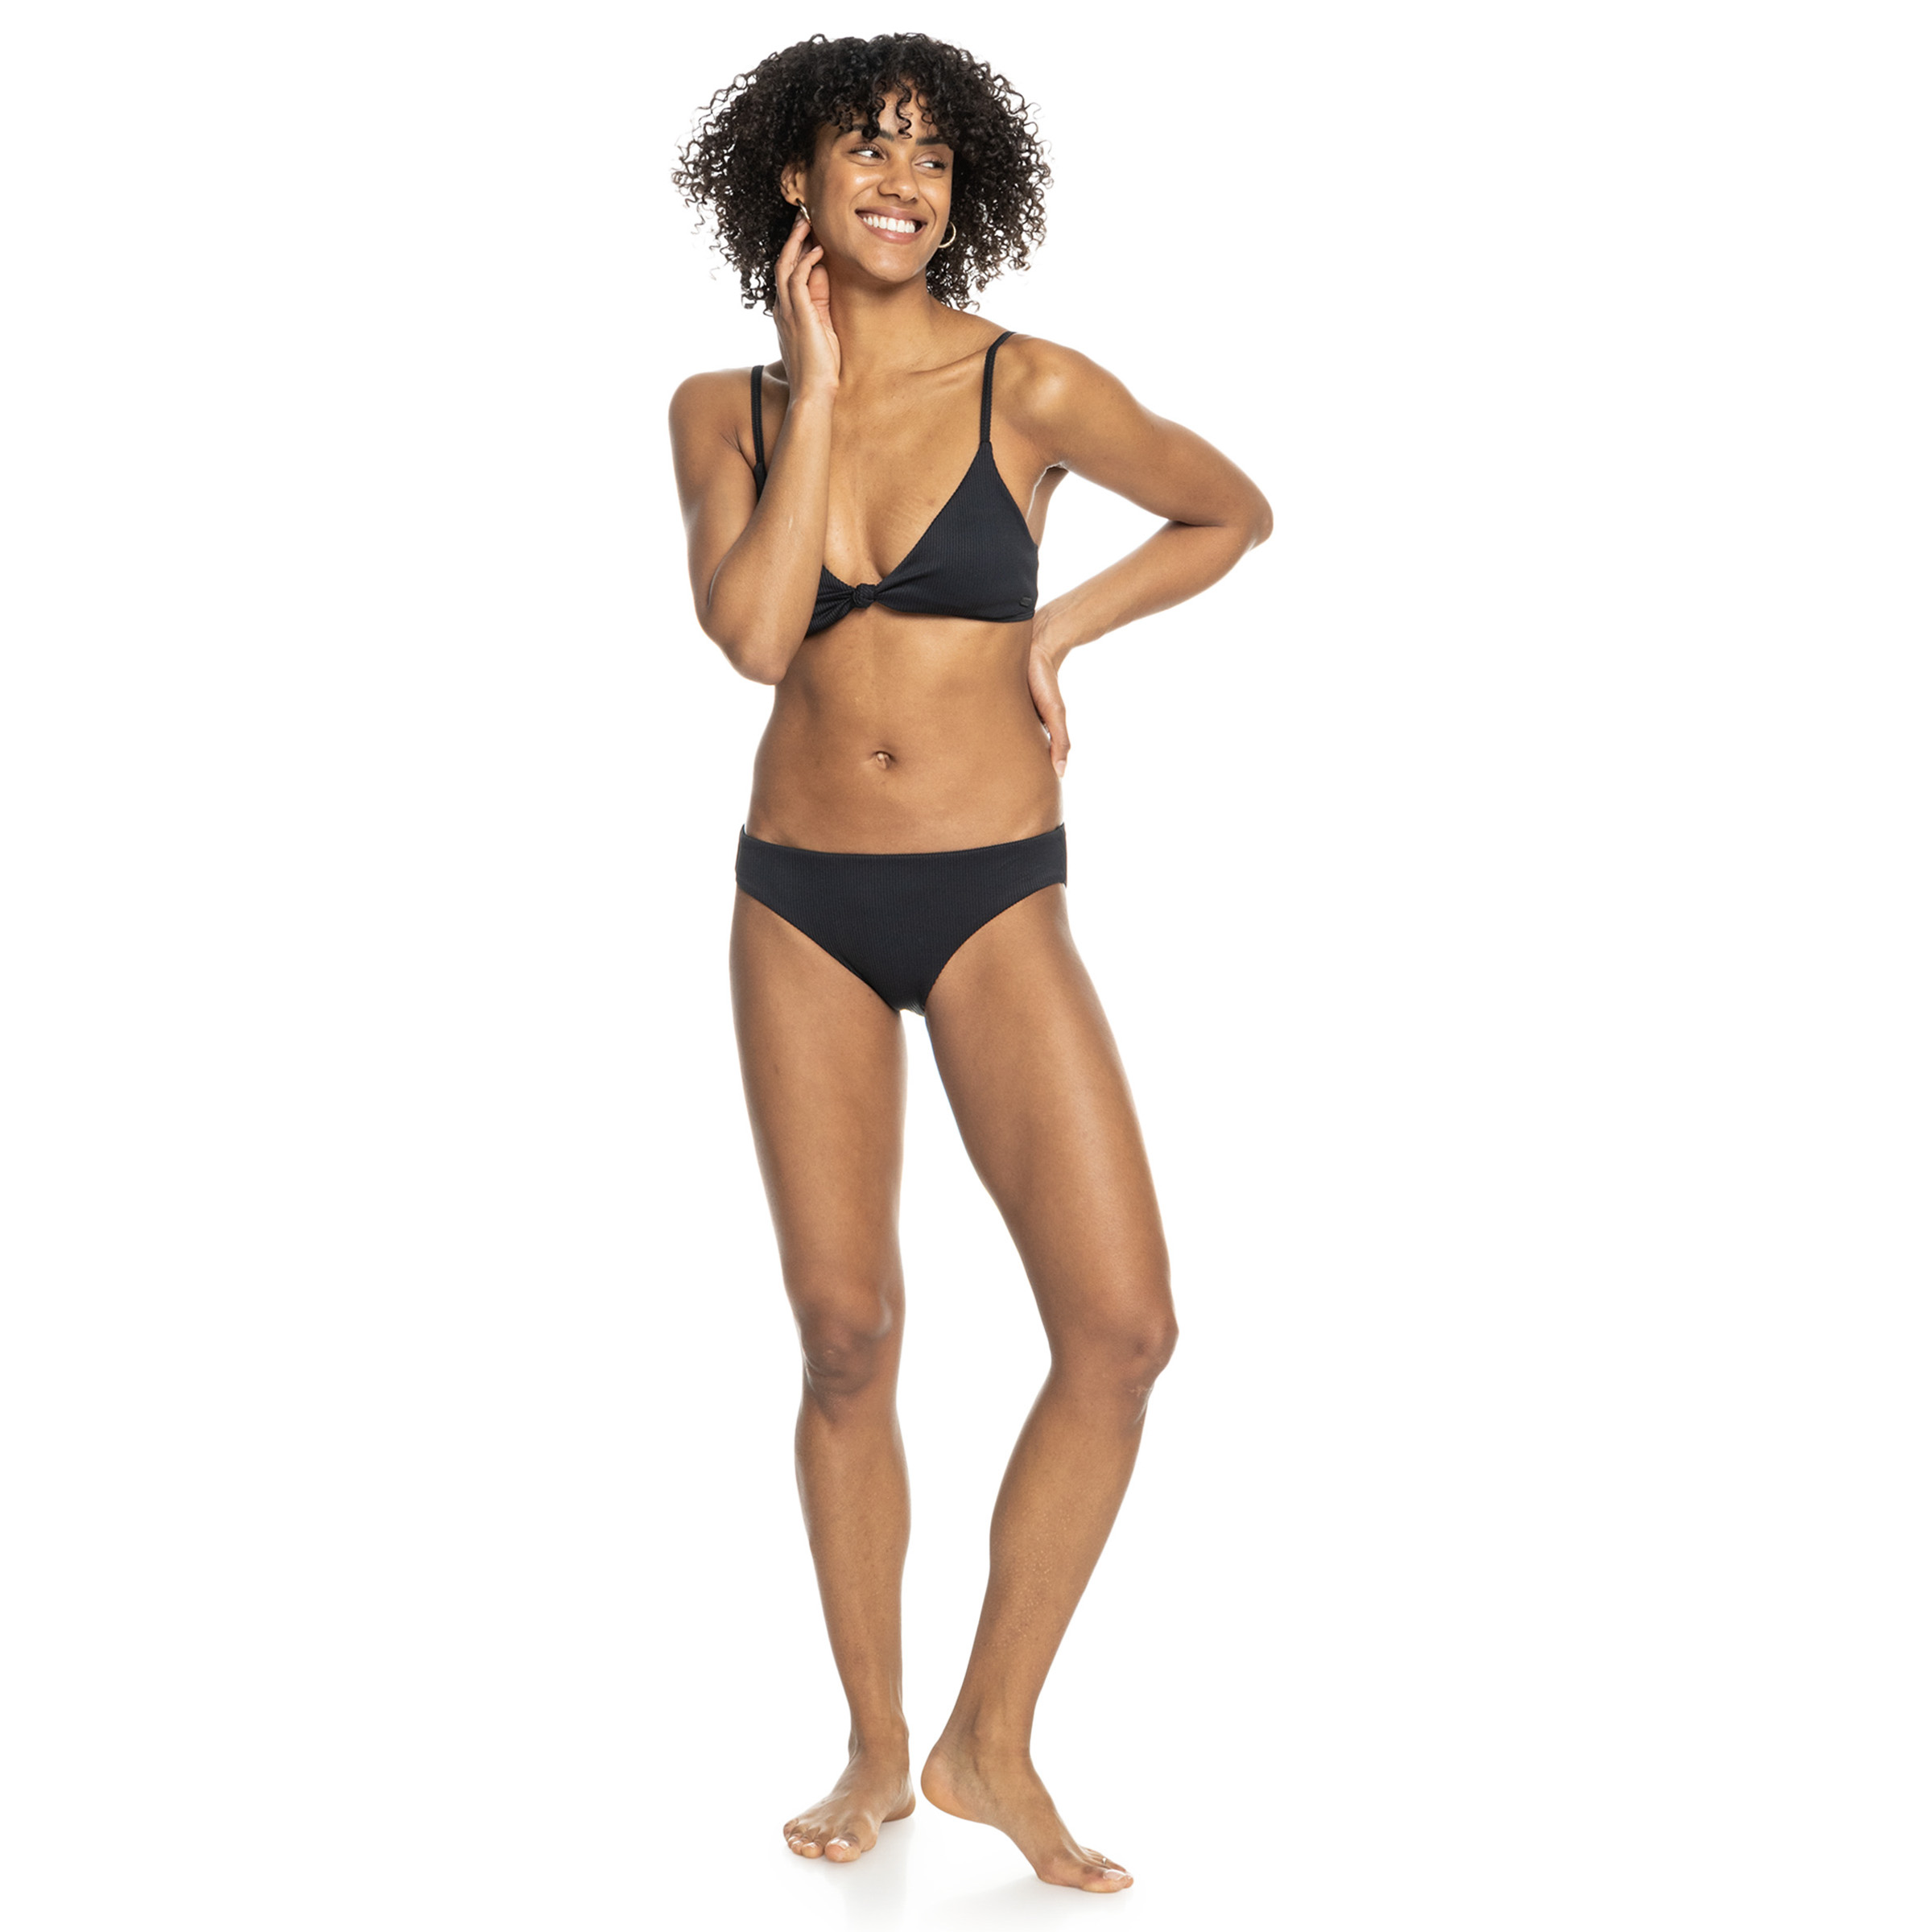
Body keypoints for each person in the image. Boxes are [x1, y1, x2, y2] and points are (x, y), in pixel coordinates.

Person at [669, 32, 1270, 1893]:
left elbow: (1230, 508)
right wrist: (822, 384)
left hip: (996, 893)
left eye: (933, 155)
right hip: (802, 906)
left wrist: (1061, 626)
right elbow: (756, 638)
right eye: (868, 147)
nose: (905, 181)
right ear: (795, 179)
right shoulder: (722, 408)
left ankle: (990, 1736)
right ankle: (878, 1742)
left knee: (1124, 1327)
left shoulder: (1034, 384)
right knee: (845, 1335)